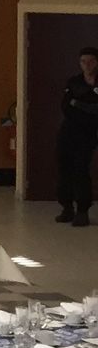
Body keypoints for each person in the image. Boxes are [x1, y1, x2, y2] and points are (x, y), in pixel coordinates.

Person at [57, 47, 98, 227]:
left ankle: (82, 210)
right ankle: (67, 207)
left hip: (89, 133)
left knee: (81, 169)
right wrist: (87, 107)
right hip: (69, 132)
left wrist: (79, 104)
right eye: (83, 62)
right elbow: (66, 107)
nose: (87, 65)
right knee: (64, 168)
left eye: (91, 61)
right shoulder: (74, 82)